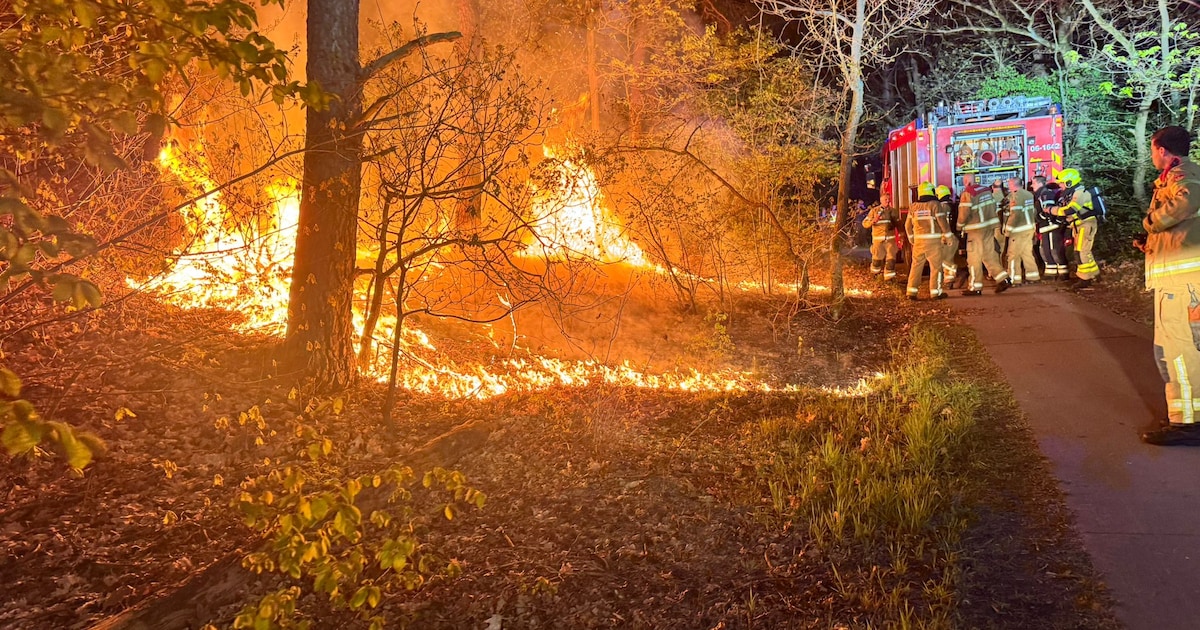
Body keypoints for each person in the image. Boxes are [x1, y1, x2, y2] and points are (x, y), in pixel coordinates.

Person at [1136, 127, 1200, 445]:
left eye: (1153, 149)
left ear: (1163, 150)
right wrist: (1150, 243)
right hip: (1173, 280)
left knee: (1179, 350)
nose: (1151, 156)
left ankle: (1188, 422)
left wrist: (1152, 223)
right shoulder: (1173, 176)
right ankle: (1183, 414)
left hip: (1182, 283)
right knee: (1168, 350)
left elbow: (1186, 203)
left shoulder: (1183, 174)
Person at [958, 173, 1012, 295]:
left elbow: (963, 213)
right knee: (988, 255)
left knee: (973, 258)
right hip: (989, 228)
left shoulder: (968, 193)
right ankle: (1003, 279)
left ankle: (974, 287)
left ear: (966, 181)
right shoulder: (986, 191)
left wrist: (959, 227)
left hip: (975, 230)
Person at [905, 182, 952, 300]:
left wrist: (912, 239)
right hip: (933, 242)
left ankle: (911, 292)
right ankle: (935, 293)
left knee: (916, 267)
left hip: (919, 243)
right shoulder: (935, 204)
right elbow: (942, 222)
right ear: (931, 191)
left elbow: (907, 226)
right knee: (936, 267)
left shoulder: (913, 206)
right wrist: (948, 236)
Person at [1059, 168, 1100, 288]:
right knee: (1085, 251)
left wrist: (1052, 210)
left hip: (1085, 225)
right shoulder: (1074, 193)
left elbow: (1071, 209)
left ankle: (1084, 279)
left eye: (1062, 182)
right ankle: (1095, 274)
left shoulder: (1080, 193)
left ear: (1069, 182)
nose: (1060, 186)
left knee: (1081, 252)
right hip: (1080, 225)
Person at [1003, 177, 1040, 284]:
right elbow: (1033, 211)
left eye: (1009, 184)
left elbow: (1015, 214)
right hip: (1029, 229)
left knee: (1013, 254)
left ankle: (1014, 279)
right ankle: (1033, 276)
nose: (1008, 186)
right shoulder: (1029, 194)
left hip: (1018, 231)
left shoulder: (1016, 196)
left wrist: (1008, 230)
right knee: (1026, 253)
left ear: (1013, 185)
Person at [1034, 176, 1069, 280]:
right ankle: (1051, 273)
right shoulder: (1042, 194)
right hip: (1046, 227)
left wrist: (1039, 218)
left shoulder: (1045, 194)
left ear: (1040, 183)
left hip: (1050, 226)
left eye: (1034, 183)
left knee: (1054, 250)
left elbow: (1048, 211)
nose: (1032, 186)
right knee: (1046, 251)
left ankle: (1063, 274)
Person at [862, 199, 900, 280]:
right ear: (881, 200)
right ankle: (875, 277)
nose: (887, 201)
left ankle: (889, 279)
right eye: (885, 199)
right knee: (877, 260)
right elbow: (865, 223)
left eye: (888, 199)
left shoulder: (893, 211)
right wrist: (872, 221)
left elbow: (898, 224)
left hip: (890, 240)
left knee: (891, 260)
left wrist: (901, 234)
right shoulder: (874, 211)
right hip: (878, 241)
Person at [936, 185, 959, 286]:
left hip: (946, 236)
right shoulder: (954, 205)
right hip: (955, 236)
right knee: (947, 258)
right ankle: (949, 279)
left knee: (945, 259)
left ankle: (950, 279)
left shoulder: (942, 207)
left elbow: (942, 223)